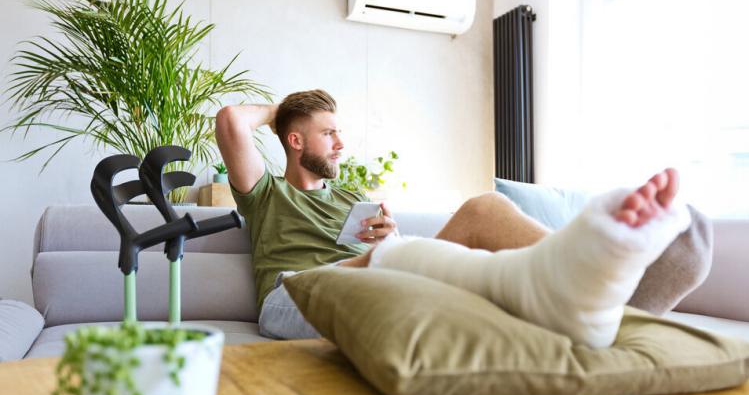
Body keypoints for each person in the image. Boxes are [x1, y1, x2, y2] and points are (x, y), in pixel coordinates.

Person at [215, 89, 711, 344]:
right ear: (295, 140)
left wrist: (388, 238)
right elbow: (232, 121)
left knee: (482, 215)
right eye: (328, 133)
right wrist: (288, 109)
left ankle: (599, 292)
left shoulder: (351, 198)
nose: (342, 144)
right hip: (295, 294)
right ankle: (592, 277)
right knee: (478, 214)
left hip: (363, 288)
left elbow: (397, 263)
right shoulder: (266, 192)